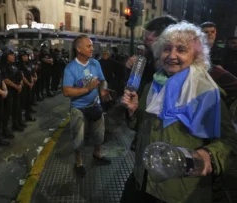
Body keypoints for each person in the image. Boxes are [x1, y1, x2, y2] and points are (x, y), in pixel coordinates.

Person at [120, 22, 237, 203]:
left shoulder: (206, 92)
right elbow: (140, 127)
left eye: (181, 50)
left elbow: (230, 141)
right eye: (167, 49)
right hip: (142, 179)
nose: (172, 55)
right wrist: (133, 112)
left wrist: (207, 157)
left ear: (195, 56)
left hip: (179, 191)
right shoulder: (152, 86)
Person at [62, 35, 112, 177]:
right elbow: (66, 91)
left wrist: (102, 89)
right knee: (78, 138)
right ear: (79, 49)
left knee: (99, 135)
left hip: (95, 105)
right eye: (88, 46)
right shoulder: (70, 68)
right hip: (78, 108)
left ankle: (97, 153)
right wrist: (88, 88)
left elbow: (102, 80)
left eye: (92, 46)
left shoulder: (95, 63)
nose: (92, 48)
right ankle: (78, 162)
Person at [125, 15, 178, 96]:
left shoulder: (175, 70)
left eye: (149, 40)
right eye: (144, 38)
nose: (144, 42)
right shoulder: (145, 61)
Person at [1, 47, 26, 135]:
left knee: (17, 108)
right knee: (7, 111)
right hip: (10, 91)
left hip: (17, 89)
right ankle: (5, 129)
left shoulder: (14, 64)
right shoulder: (4, 66)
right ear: (6, 56)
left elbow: (20, 75)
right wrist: (16, 86)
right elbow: (5, 79)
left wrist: (21, 84)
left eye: (13, 55)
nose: (13, 56)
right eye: (11, 55)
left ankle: (16, 124)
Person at [19, 48, 37, 122]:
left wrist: (32, 82)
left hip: (30, 85)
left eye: (26, 56)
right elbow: (22, 76)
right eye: (24, 56)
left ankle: (28, 116)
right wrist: (29, 83)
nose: (25, 57)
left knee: (28, 102)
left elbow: (31, 74)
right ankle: (20, 119)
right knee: (22, 103)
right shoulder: (20, 65)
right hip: (24, 86)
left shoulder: (29, 64)